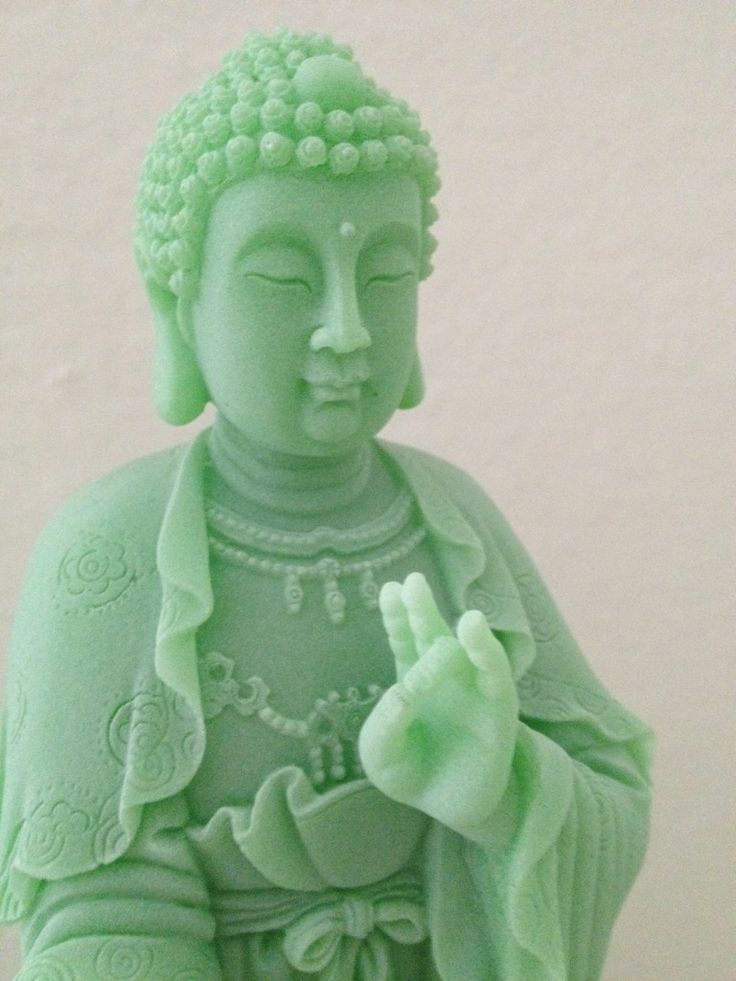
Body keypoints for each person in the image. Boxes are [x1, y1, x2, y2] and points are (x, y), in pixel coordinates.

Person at [0, 29, 652, 980]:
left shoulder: (454, 525)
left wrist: (504, 795)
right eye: (283, 278)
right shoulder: (105, 552)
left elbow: (610, 798)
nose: (346, 329)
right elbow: (97, 898)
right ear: (180, 304)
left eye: (385, 276)